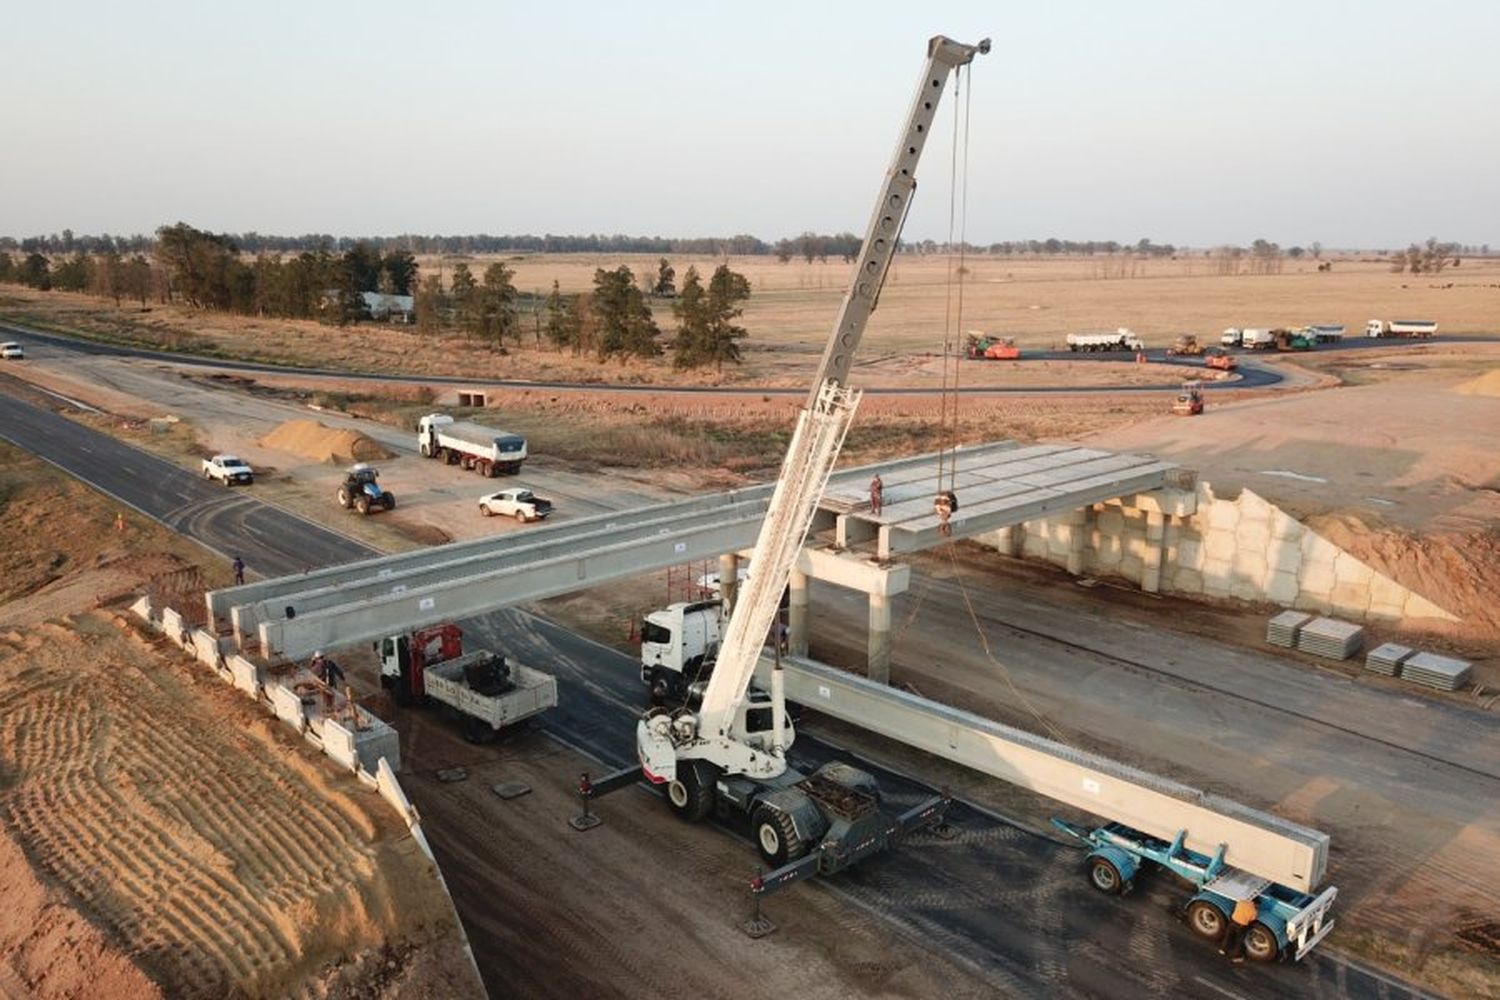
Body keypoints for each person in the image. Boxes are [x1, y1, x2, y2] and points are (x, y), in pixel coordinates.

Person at [1220, 897, 1257, 963]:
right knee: (1239, 941)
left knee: (1228, 936)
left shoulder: (1241, 902)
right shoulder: (1253, 910)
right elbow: (1252, 919)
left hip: (1233, 921)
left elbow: (1235, 908)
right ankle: (1236, 956)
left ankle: (1223, 949)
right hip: (1241, 926)